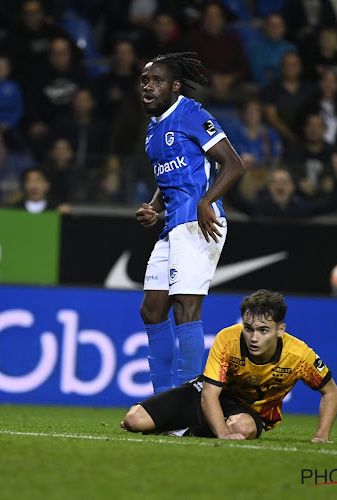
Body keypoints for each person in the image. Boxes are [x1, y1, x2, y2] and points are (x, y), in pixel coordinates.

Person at [134, 52, 244, 395]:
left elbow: (233, 164)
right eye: (145, 81)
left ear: (175, 86)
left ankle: (187, 409)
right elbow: (171, 176)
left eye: (157, 81)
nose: (148, 87)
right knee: (152, 310)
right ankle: (163, 403)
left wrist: (207, 201)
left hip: (201, 224)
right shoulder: (153, 130)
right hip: (172, 227)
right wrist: (154, 207)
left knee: (185, 308)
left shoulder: (192, 113)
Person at [121, 289, 337, 441]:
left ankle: (181, 431)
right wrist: (223, 435)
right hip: (210, 394)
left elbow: (331, 392)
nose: (254, 338)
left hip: (250, 411)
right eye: (248, 328)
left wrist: (321, 435)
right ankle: (185, 428)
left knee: (242, 428)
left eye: (263, 330)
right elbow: (209, 394)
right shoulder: (228, 339)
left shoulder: (299, 356)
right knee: (133, 421)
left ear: (280, 330)